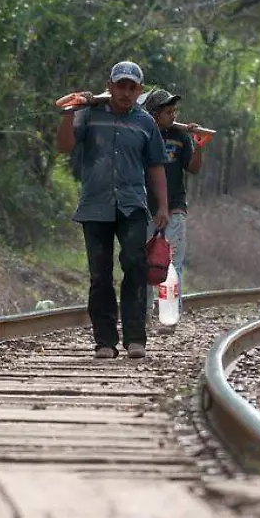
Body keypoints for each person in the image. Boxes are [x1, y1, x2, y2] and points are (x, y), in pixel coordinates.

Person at [55, 61, 170, 359]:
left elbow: (156, 166)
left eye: (132, 87)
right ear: (110, 86)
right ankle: (105, 341)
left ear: (139, 91)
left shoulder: (145, 123)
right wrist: (68, 115)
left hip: (133, 205)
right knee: (100, 274)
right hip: (95, 206)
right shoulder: (90, 115)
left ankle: (135, 338)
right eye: (121, 86)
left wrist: (163, 207)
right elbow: (64, 146)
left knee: (135, 265)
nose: (126, 92)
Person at [143, 88, 203, 327]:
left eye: (174, 111)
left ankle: (169, 316)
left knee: (172, 263)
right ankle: (144, 314)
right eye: (168, 112)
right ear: (155, 114)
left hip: (176, 206)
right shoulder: (143, 134)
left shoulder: (180, 136)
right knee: (144, 262)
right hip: (145, 207)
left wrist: (199, 145)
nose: (173, 116)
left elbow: (193, 168)